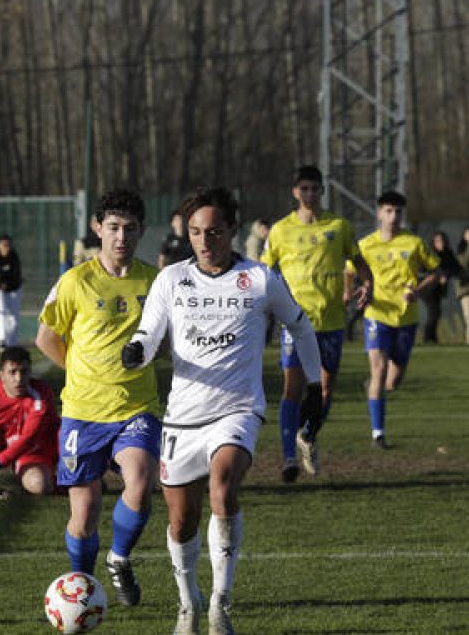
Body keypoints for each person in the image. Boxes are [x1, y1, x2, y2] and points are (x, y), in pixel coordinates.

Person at [122, 186, 323, 635]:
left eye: (213, 231)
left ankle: (220, 603)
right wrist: (136, 350)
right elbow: (149, 331)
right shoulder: (171, 279)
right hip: (182, 416)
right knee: (181, 519)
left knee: (223, 487)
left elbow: (300, 324)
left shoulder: (260, 279)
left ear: (232, 229)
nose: (204, 240)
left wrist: (314, 383)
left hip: (238, 409)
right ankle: (188, 603)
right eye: (195, 231)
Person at [36, 189, 162, 607]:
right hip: (83, 413)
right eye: (112, 228)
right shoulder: (75, 281)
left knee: (140, 484)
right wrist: (81, 371)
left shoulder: (155, 281)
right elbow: (46, 337)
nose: (121, 236)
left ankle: (120, 558)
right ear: (97, 229)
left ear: (141, 231)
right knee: (84, 514)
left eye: (129, 228)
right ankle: (83, 587)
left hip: (136, 407)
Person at [260, 165, 373, 482]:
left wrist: (368, 285)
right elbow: (264, 274)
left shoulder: (339, 226)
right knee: (292, 388)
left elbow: (360, 263)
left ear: (322, 191)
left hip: (331, 322)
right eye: (304, 188)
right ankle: (287, 457)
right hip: (295, 324)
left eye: (315, 188)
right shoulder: (280, 231)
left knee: (324, 392)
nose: (309, 194)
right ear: (295, 192)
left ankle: (307, 436)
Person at [356, 191, 441, 448]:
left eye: (398, 212)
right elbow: (351, 271)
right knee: (380, 371)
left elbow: (436, 271)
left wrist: (418, 290)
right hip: (377, 315)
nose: (394, 217)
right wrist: (359, 290)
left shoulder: (414, 243)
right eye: (389, 211)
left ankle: (373, 387)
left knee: (392, 381)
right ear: (379, 213)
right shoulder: (365, 245)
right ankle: (377, 434)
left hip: (406, 318)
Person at [0, 346, 60, 498]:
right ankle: (71, 483)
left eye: (24, 372)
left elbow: (29, 437)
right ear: (1, 375)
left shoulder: (41, 394)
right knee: (39, 484)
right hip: (29, 454)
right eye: (12, 372)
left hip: (60, 446)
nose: (19, 379)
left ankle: (86, 477)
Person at [420, 231, 460, 344]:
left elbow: (455, 267)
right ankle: (428, 337)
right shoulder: (430, 254)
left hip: (439, 290)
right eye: (437, 241)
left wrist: (446, 275)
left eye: (442, 241)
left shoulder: (448, 254)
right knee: (434, 312)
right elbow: (428, 270)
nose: (440, 243)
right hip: (428, 289)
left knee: (436, 313)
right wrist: (439, 276)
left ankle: (432, 337)